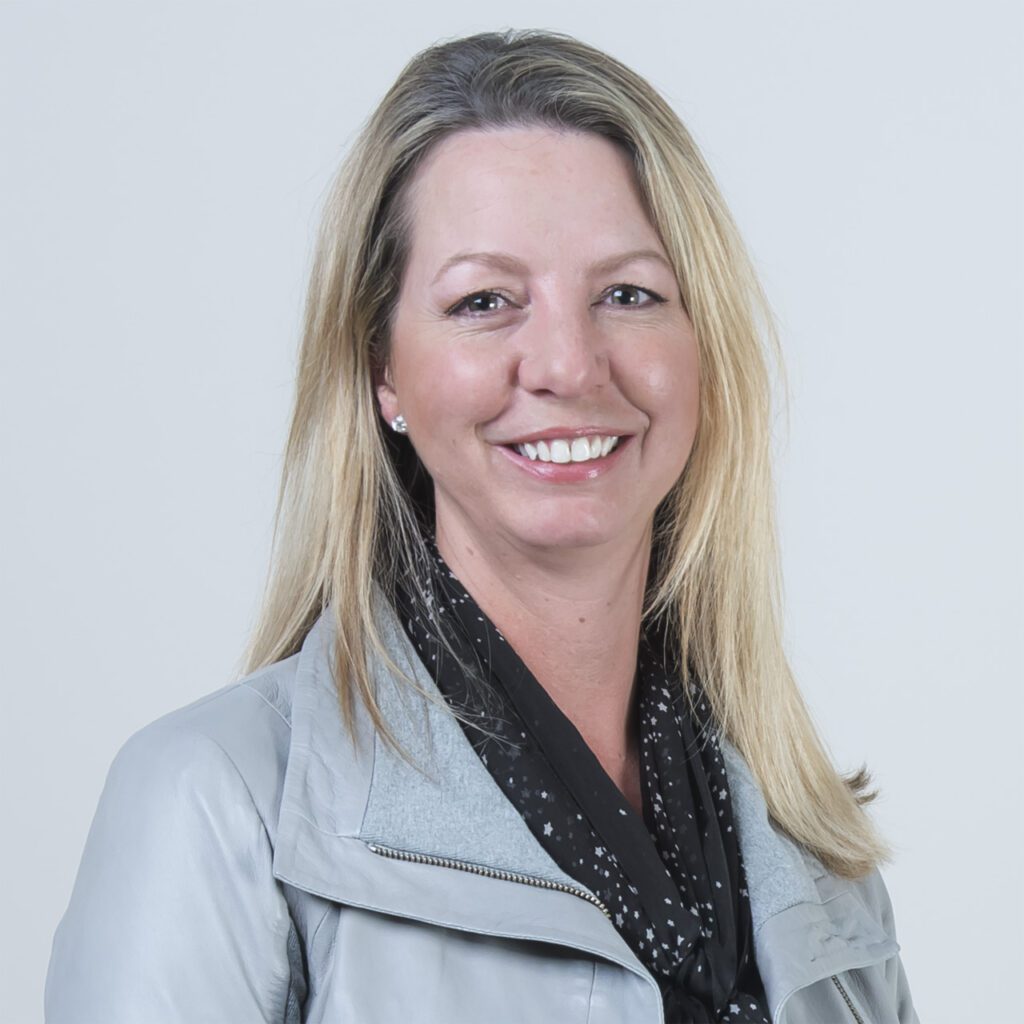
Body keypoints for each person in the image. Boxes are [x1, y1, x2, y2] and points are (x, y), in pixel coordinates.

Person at [45, 28, 918, 1024]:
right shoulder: (218, 806)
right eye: (485, 301)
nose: (567, 364)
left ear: (702, 349)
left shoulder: (815, 858)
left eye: (627, 294)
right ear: (383, 369)